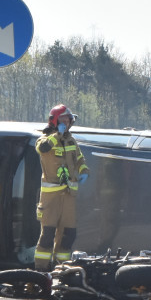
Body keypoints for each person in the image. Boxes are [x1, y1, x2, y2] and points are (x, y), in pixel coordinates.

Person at [33, 104, 89, 272]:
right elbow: (43, 149)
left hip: (69, 196)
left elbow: (79, 159)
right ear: (55, 120)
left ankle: (61, 268)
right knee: (48, 235)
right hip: (51, 197)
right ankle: (42, 270)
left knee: (68, 235)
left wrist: (84, 171)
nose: (68, 122)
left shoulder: (71, 140)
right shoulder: (45, 139)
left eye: (69, 120)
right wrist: (58, 134)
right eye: (64, 119)